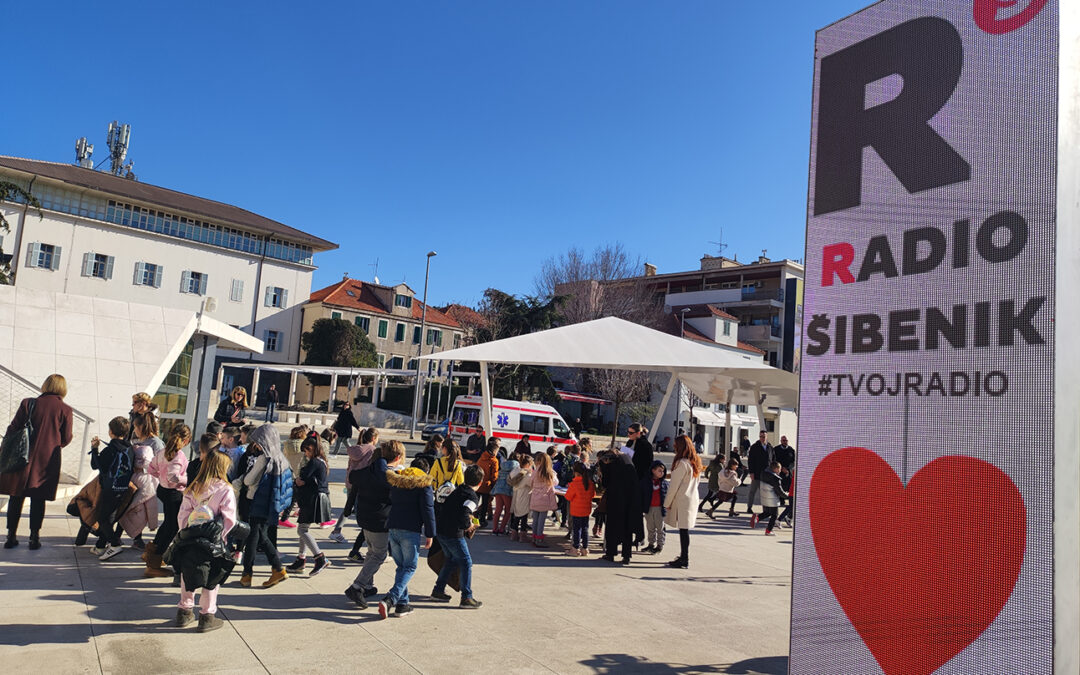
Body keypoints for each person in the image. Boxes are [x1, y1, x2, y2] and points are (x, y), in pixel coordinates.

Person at [2, 374, 74, 550]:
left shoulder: (28, 403)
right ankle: (34, 537)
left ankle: (11, 537)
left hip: (22, 455)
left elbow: (13, 427)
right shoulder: (65, 409)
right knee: (38, 498)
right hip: (46, 460)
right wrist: (52, 444)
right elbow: (66, 437)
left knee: (16, 496)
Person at [170, 450, 237, 632]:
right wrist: (223, 536)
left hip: (190, 538)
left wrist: (186, 531)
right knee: (211, 577)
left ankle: (184, 611)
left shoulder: (193, 487)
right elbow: (229, 519)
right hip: (212, 540)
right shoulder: (225, 489)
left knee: (188, 574)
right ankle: (207, 616)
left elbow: (183, 514)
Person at [345, 440, 406, 609]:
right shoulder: (389, 475)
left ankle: (367, 586)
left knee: (372, 552)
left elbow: (354, 477)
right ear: (398, 457)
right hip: (380, 520)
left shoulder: (370, 470)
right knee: (379, 555)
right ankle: (357, 586)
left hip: (365, 518)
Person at [379, 458, 436, 619]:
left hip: (393, 527)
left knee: (401, 567)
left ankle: (402, 605)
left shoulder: (398, 481)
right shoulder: (423, 484)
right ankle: (390, 599)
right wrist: (430, 534)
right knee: (410, 567)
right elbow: (428, 510)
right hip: (410, 530)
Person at [238, 424, 292, 588]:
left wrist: (241, 480)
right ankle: (264, 571)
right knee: (258, 536)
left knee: (256, 536)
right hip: (271, 503)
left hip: (257, 501)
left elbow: (249, 480)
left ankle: (259, 572)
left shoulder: (264, 459)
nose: (258, 445)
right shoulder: (281, 458)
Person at [430, 464, 483, 608]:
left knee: (451, 559)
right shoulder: (472, 497)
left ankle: (438, 590)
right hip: (453, 533)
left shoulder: (459, 489)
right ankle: (466, 597)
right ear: (480, 482)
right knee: (466, 562)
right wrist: (469, 525)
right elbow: (465, 512)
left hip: (441, 530)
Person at [144, 424, 191, 578]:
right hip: (173, 494)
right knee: (172, 526)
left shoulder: (162, 452)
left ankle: (151, 553)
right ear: (187, 440)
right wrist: (187, 480)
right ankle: (154, 562)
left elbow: (151, 469)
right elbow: (174, 476)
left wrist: (161, 477)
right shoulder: (179, 456)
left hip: (163, 491)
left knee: (168, 523)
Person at [88, 417, 134, 560]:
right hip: (122, 487)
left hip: (109, 488)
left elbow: (97, 466)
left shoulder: (110, 449)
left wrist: (94, 449)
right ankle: (101, 546)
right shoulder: (130, 448)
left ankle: (115, 544)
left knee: (102, 518)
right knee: (108, 517)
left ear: (111, 432)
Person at [287, 437, 332, 575]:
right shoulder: (322, 461)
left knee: (302, 530)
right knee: (303, 528)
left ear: (311, 449)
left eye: (306, 450)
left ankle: (319, 557)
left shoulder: (314, 462)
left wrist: (299, 480)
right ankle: (301, 559)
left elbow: (302, 479)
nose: (305, 453)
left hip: (312, 499)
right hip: (317, 498)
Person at [119, 412, 163, 550]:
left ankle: (136, 538)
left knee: (138, 509)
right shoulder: (136, 440)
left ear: (142, 427)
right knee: (128, 507)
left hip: (148, 482)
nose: (134, 430)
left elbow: (162, 461)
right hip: (133, 479)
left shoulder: (155, 442)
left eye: (136, 427)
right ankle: (120, 536)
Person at [331, 426, 378, 554]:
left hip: (350, 482)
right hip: (362, 484)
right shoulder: (372, 451)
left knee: (349, 507)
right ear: (374, 438)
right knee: (360, 512)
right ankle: (361, 541)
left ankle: (337, 530)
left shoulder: (355, 449)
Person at [664, 435, 703, 568]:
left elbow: (673, 486)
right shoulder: (695, 462)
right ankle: (684, 556)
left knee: (683, 531)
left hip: (682, 499)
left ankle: (684, 558)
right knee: (684, 530)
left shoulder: (681, 463)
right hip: (692, 498)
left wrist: (666, 503)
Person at [598, 450, 642, 564]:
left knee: (612, 527)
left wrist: (603, 467)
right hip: (630, 501)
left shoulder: (612, 465)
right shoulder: (627, 461)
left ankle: (611, 553)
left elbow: (606, 483)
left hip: (615, 500)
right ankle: (626, 556)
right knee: (627, 529)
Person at [565, 462, 595, 556]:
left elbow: (568, 497)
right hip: (586, 509)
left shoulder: (574, 483)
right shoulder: (590, 483)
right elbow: (592, 495)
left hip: (576, 510)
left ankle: (575, 548)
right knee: (585, 528)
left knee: (576, 529)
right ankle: (585, 548)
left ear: (575, 472)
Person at [529, 452, 558, 548]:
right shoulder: (550, 472)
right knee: (541, 520)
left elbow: (531, 482)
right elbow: (555, 482)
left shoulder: (535, 471)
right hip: (544, 499)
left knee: (535, 520)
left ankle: (534, 537)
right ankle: (539, 539)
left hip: (535, 498)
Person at [751, 461, 788, 536]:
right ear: (776, 469)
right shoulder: (775, 478)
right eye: (779, 469)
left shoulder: (764, 473)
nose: (780, 471)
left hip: (764, 497)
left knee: (767, 512)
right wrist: (787, 495)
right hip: (772, 498)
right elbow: (779, 491)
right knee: (774, 515)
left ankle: (757, 518)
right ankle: (768, 530)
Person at [641, 460, 668, 555]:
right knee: (650, 527)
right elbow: (642, 494)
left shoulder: (664, 483)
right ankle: (651, 544)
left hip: (659, 509)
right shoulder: (646, 482)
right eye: (659, 470)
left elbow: (667, 495)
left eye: (663, 471)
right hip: (649, 508)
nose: (662, 473)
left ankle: (660, 545)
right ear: (653, 470)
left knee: (660, 527)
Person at [429, 438, 465, 507]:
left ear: (445, 448)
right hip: (451, 495)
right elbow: (461, 482)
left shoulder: (438, 462)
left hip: (440, 495)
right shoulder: (457, 464)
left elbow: (431, 478)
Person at [490, 445, 517, 535]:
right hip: (507, 490)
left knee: (498, 510)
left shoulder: (503, 465)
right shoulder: (516, 466)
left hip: (498, 489)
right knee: (508, 510)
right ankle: (502, 529)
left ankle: (494, 529)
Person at [508, 454, 533, 541]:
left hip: (516, 494)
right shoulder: (527, 475)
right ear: (529, 464)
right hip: (525, 495)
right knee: (524, 516)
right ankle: (523, 535)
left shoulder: (515, 471)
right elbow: (531, 484)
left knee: (516, 515)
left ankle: (513, 534)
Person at [745, 430, 772, 514]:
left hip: (767, 474)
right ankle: (749, 507)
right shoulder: (754, 447)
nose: (762, 438)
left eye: (764, 436)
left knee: (765, 493)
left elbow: (773, 459)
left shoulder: (770, 447)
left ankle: (765, 510)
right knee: (752, 491)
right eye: (761, 436)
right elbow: (750, 460)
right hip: (756, 474)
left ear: (767, 437)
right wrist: (751, 472)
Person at [474, 438, 499, 528]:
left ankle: (474, 520)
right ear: (494, 451)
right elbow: (494, 475)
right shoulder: (494, 461)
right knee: (484, 505)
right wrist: (494, 485)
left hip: (478, 484)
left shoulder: (482, 457)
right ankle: (482, 521)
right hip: (486, 485)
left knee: (475, 503)